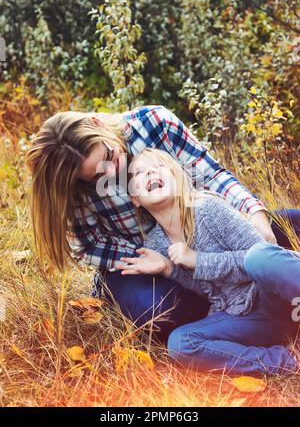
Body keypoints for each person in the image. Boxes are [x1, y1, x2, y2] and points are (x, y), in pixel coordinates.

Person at [25, 105, 300, 343]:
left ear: (97, 124)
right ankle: (231, 312)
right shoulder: (71, 186)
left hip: (207, 230)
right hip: (147, 262)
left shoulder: (154, 123)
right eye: (96, 175)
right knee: (156, 310)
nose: (112, 171)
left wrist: (255, 215)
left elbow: (211, 176)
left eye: (109, 157)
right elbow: (89, 246)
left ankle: (261, 298)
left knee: (290, 227)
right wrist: (159, 260)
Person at [115, 148, 300, 375]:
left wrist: (198, 260)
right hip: (247, 316)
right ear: (135, 198)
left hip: (278, 295)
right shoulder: (155, 244)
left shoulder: (207, 208)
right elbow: (210, 291)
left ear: (178, 177)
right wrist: (169, 269)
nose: (151, 172)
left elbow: (260, 258)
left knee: (259, 257)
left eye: (160, 166)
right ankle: (288, 361)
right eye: (139, 173)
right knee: (181, 343)